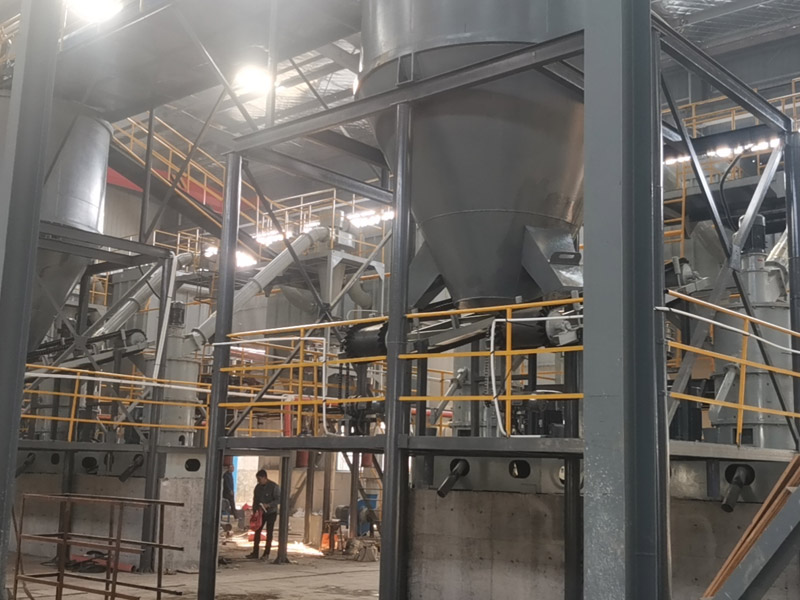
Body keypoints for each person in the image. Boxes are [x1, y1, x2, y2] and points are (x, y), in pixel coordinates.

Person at [247, 469, 280, 560]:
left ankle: (266, 553)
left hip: (271, 513)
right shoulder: (258, 488)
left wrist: (269, 505)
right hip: (261, 513)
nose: (258, 481)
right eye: (257, 479)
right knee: (257, 531)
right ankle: (255, 552)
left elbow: (278, 499)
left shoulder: (274, 487)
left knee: (269, 532)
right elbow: (255, 500)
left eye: (260, 479)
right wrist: (255, 512)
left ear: (265, 478)